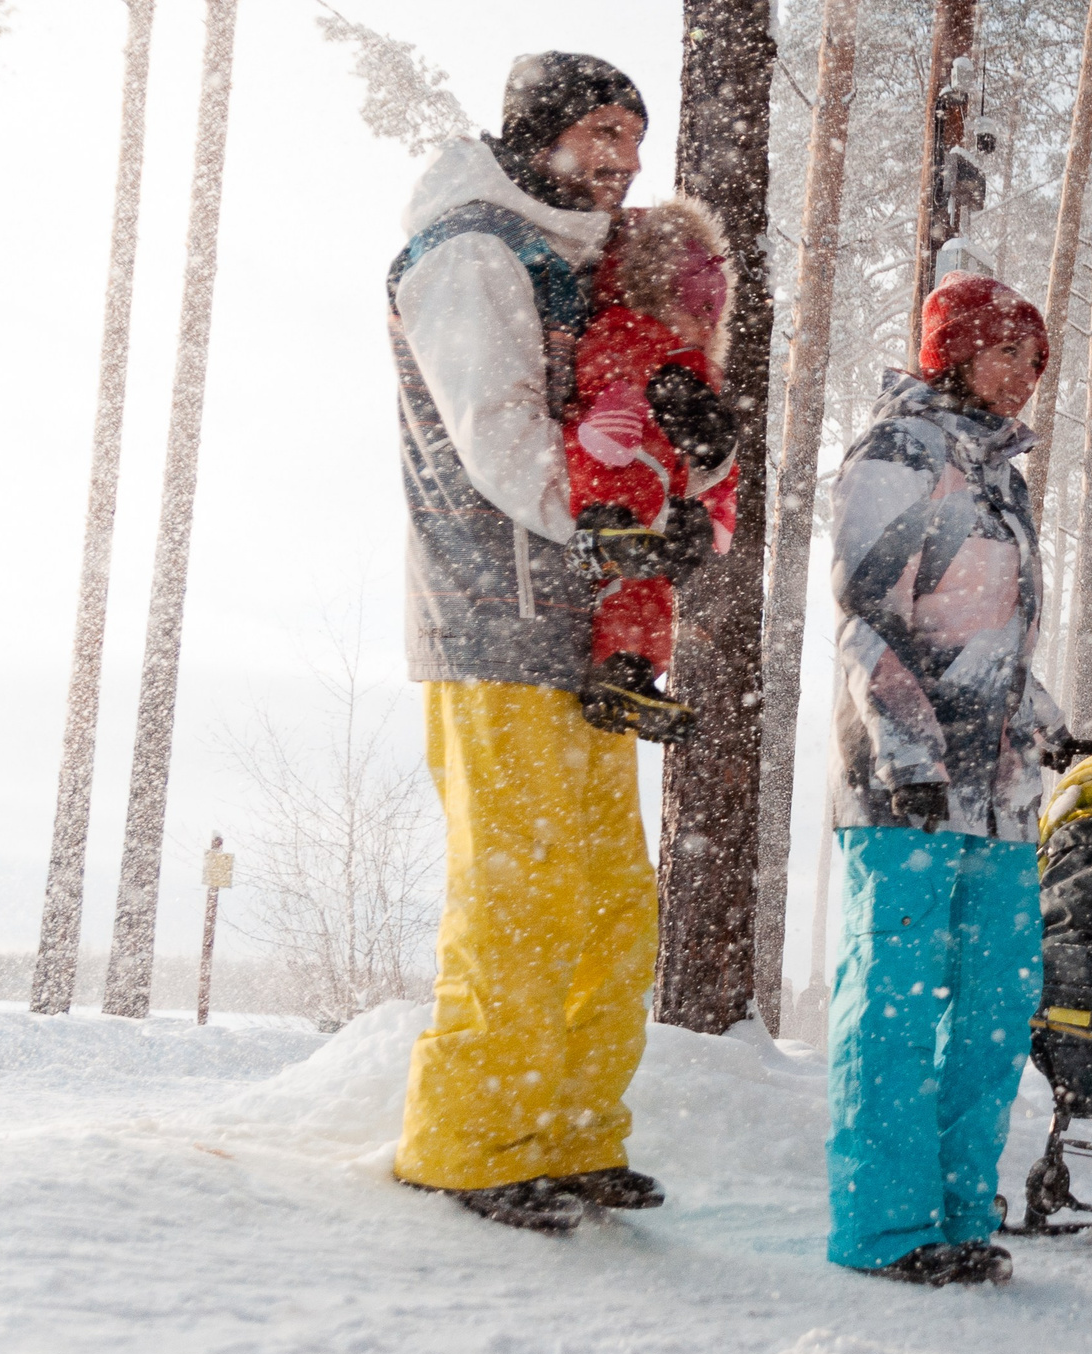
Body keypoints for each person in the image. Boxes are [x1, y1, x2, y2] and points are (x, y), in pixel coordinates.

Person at [385, 53, 669, 1233]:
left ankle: (568, 1130)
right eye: (601, 132)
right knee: (517, 892)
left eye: (634, 142)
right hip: (490, 614)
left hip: (579, 623)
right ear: (540, 133)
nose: (620, 161)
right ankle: (470, 1140)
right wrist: (611, 511)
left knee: (608, 894)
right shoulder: (472, 249)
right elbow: (497, 430)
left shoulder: (579, 261)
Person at [823, 273, 1058, 1286]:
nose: (1022, 376)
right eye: (1005, 352)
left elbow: (991, 632)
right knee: (899, 1005)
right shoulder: (896, 454)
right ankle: (886, 1225)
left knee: (996, 1006)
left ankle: (962, 1212)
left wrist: (1045, 728)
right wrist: (907, 753)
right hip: (902, 786)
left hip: (996, 788)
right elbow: (869, 613)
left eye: (1033, 360)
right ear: (951, 350)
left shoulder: (1000, 476)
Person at [564, 192, 743, 742]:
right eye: (689, 300)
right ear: (652, 289)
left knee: (649, 589)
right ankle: (604, 523)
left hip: (656, 514)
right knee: (617, 465)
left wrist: (707, 512)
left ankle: (627, 675)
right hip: (610, 474)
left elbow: (720, 472)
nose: (699, 320)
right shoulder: (620, 332)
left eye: (710, 308)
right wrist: (635, 394)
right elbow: (596, 380)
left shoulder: (701, 378)